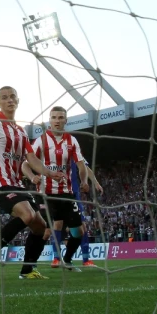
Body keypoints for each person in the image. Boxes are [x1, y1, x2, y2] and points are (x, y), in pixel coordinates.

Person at [0, 86, 58, 281]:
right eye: (4, 98)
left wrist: (50, 172)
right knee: (27, 214)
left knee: (42, 228)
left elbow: (31, 159)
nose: (9, 100)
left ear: (18, 100)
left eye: (12, 97)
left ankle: (28, 270)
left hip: (16, 183)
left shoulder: (21, 132)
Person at [25, 106, 94, 271]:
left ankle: (67, 260)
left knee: (79, 231)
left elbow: (80, 164)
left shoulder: (72, 141)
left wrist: (84, 181)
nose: (57, 120)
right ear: (50, 120)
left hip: (66, 194)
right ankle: (29, 266)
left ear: (65, 120)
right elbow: (26, 163)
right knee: (45, 230)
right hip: (46, 194)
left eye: (60, 117)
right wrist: (31, 176)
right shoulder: (41, 140)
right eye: (54, 117)